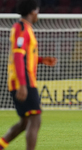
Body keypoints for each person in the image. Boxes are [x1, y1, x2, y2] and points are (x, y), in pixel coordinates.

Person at [0, 0, 57, 149]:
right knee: (35, 119)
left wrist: (41, 60)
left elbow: (25, 56)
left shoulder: (27, 29)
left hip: (24, 80)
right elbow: (18, 57)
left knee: (25, 123)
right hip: (23, 81)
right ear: (33, 11)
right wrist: (23, 85)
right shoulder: (21, 28)